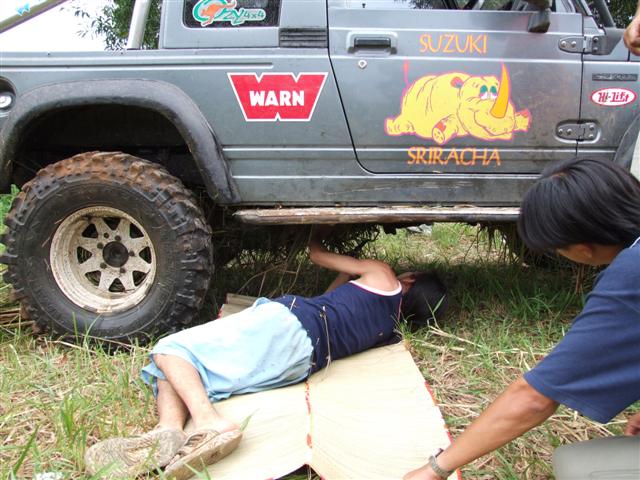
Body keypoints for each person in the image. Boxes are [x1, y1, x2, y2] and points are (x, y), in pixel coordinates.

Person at [84, 226, 447, 479]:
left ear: (410, 280)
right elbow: (330, 298)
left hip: (288, 326)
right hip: (302, 361)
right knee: (181, 373)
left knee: (170, 350)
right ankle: (168, 430)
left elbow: (317, 255)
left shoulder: (383, 274)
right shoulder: (388, 329)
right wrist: (351, 275)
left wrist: (321, 231)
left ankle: (210, 422)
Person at [403, 158, 640, 480]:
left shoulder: (630, 277)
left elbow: (534, 398)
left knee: (580, 467)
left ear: (583, 250)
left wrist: (435, 469)